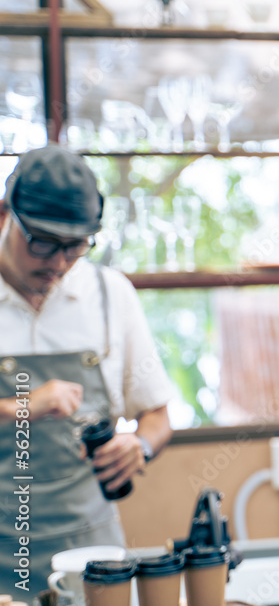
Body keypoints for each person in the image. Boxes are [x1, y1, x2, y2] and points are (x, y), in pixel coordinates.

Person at [0, 146, 174, 597]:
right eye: (41, 242)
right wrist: (21, 405)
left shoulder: (109, 295)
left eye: (74, 247)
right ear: (5, 214)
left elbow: (158, 418)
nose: (57, 263)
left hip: (92, 552)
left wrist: (139, 445)